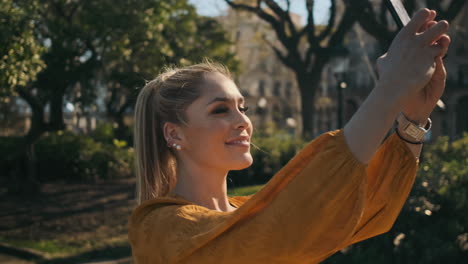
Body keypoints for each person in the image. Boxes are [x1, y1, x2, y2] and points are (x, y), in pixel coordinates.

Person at [128, 8, 450, 264]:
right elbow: (285, 229)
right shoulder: (158, 228)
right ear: (174, 133)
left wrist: (412, 120)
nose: (243, 120)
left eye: (243, 107)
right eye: (219, 110)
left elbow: (365, 211)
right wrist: (389, 90)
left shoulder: (251, 209)